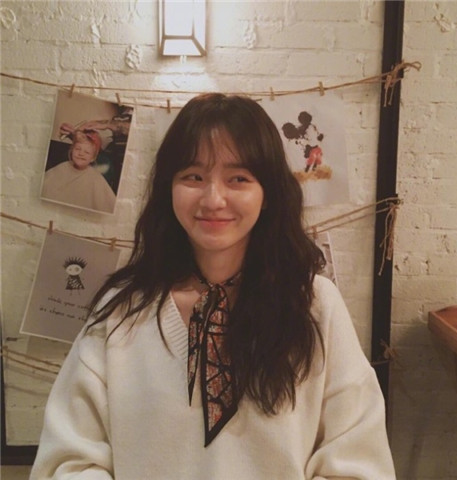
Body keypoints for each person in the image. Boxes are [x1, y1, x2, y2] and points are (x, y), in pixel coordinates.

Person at [30, 93, 396, 479]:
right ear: (168, 188)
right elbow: (68, 461)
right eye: (193, 176)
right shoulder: (122, 312)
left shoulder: (315, 305)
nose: (213, 199)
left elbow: (358, 461)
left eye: (238, 179)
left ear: (267, 193)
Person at [41, 130, 116, 214]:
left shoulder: (96, 178)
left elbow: (109, 205)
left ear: (93, 158)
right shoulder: (62, 167)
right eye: (77, 149)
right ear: (72, 150)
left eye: (86, 152)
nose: (81, 153)